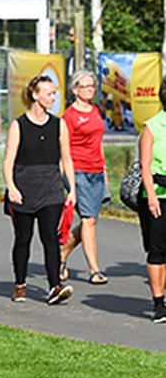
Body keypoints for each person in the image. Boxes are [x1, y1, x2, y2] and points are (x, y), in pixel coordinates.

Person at [3, 74, 76, 305]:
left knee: (51, 239)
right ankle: (20, 284)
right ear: (35, 95)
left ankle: (55, 286)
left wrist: (71, 189)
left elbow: (67, 159)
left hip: (51, 191)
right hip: (23, 190)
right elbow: (8, 162)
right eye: (49, 93)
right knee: (23, 239)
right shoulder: (19, 125)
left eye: (55, 93)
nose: (53, 97)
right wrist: (11, 187)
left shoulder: (59, 124)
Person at [60, 69, 108, 284]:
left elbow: (98, 142)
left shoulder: (95, 110)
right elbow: (63, 148)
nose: (90, 89)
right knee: (88, 220)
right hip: (77, 170)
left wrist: (104, 170)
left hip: (96, 171)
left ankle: (61, 252)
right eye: (85, 86)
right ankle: (94, 270)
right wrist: (66, 179)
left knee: (91, 220)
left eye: (92, 86)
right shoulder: (69, 116)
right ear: (74, 89)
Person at [138, 76, 166, 323]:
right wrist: (152, 196)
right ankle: (159, 303)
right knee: (158, 250)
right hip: (159, 194)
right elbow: (145, 167)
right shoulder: (152, 127)